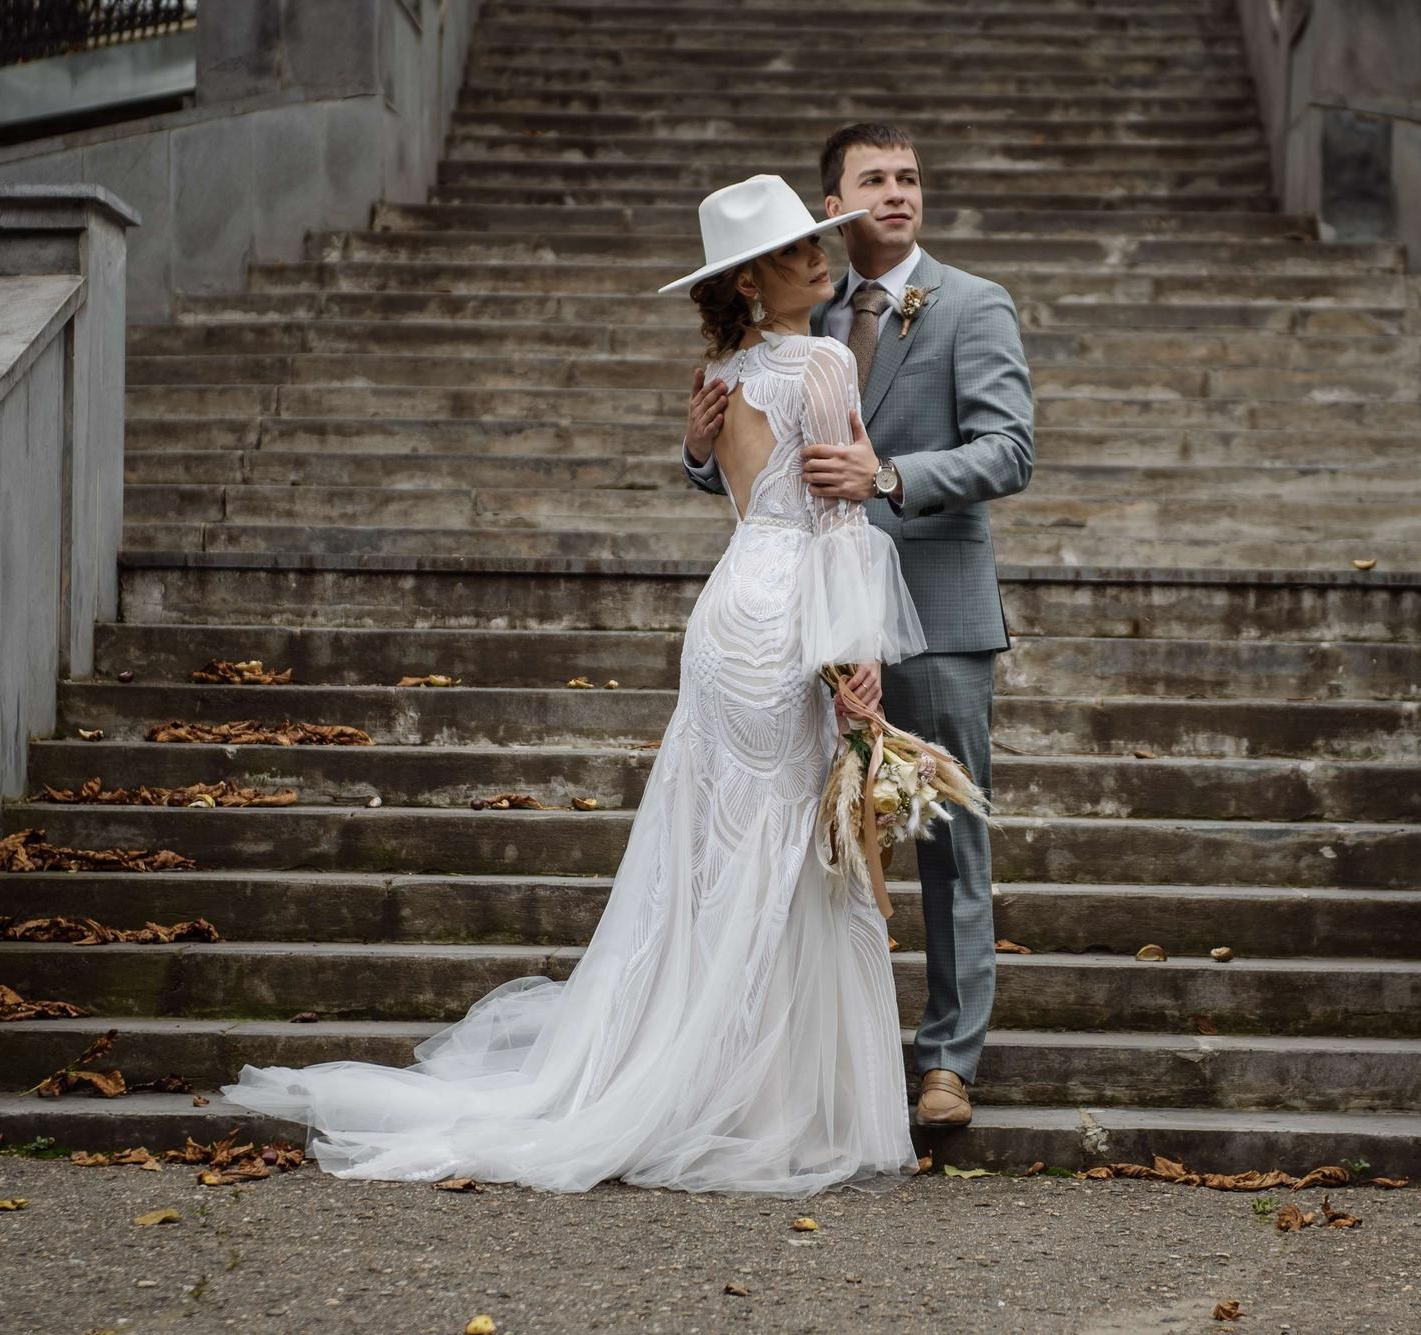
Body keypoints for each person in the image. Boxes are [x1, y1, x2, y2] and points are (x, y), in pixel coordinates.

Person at [223, 173, 929, 1196]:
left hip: (730, 610)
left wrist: (704, 456)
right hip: (787, 622)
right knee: (781, 854)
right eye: (793, 252)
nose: (820, 257)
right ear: (746, 282)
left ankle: (694, 1077)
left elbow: (744, 493)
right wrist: (855, 650)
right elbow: (837, 520)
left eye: (814, 241)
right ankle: (754, 1099)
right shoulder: (821, 360)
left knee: (719, 852)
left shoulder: (718, 375)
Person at [684, 123, 1035, 1128]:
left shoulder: (973, 304)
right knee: (817, 843)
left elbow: (1009, 451)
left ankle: (945, 1067)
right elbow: (748, 461)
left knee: (948, 834)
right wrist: (700, 450)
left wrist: (889, 476)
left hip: (940, 609)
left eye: (910, 177)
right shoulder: (803, 313)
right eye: (872, 179)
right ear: (830, 204)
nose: (896, 193)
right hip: (810, 623)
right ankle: (816, 1068)